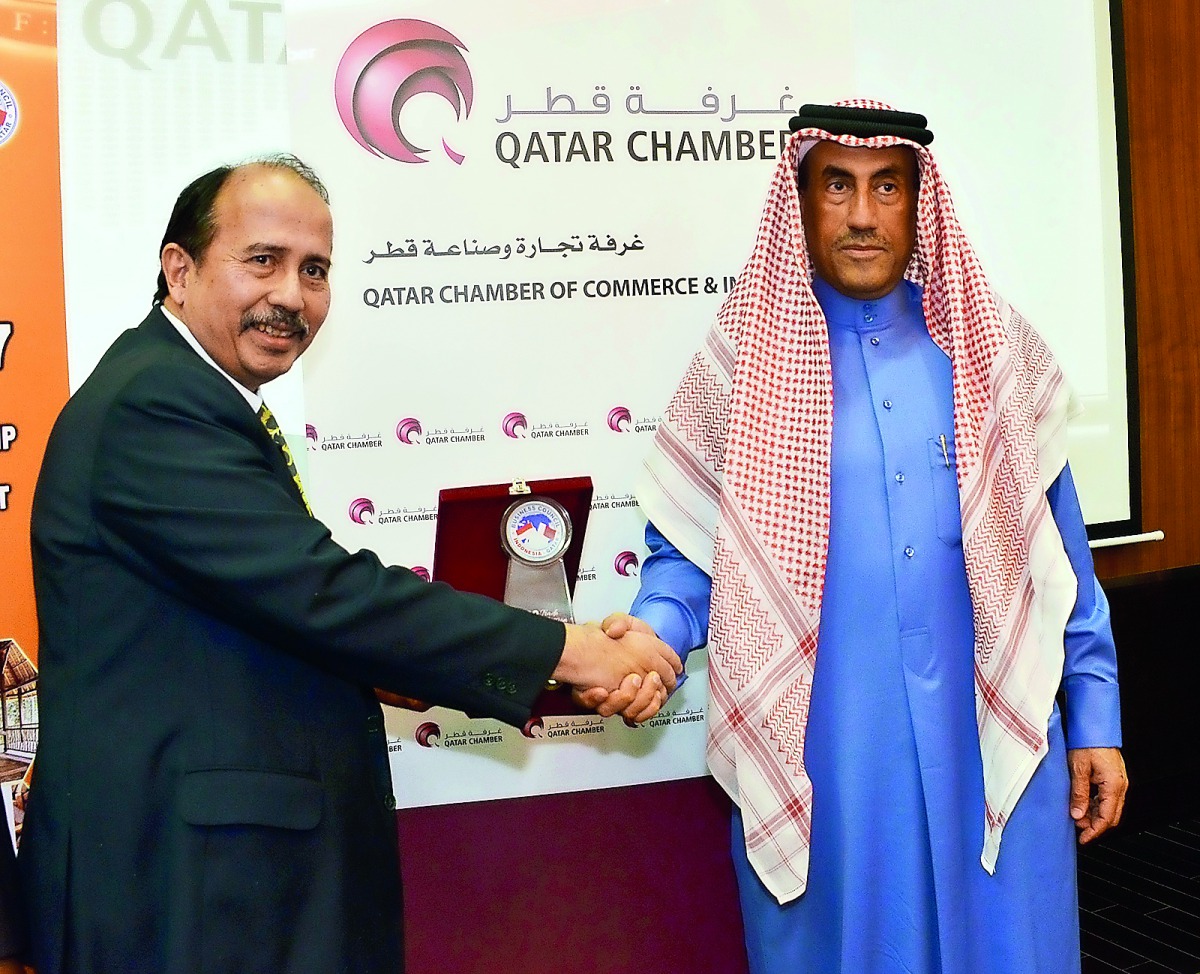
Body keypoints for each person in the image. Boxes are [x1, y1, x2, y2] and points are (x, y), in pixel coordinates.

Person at [20, 154, 681, 974]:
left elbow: (258, 608)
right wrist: (574, 651)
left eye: (315, 270)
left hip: (214, 877)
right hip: (179, 889)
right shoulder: (156, 404)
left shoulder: (194, 394)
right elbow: (321, 592)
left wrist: (376, 669)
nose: (292, 296)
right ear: (179, 270)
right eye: (262, 260)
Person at [615, 102, 1127, 974]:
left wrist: (1098, 715)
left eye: (887, 186)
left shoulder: (990, 348)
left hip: (995, 737)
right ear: (802, 200)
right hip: (829, 755)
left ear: (919, 202)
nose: (861, 215)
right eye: (837, 186)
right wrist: (651, 641)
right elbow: (688, 561)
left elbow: (1062, 559)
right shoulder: (745, 364)